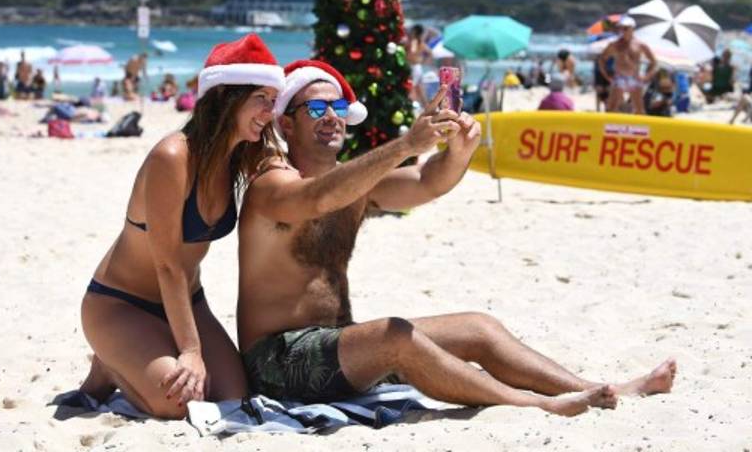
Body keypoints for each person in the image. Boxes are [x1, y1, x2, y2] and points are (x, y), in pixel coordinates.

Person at [237, 59, 676, 417]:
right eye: (316, 110)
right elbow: (317, 198)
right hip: (277, 361)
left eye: (336, 109)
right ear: (286, 126)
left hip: (340, 347)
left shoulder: (355, 186)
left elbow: (427, 182)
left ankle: (604, 387)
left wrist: (459, 151)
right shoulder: (272, 184)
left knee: (478, 328)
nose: (330, 117)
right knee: (396, 335)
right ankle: (541, 404)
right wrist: (406, 143)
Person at [77, 34, 285, 419]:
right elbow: (168, 263)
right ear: (227, 96)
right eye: (261, 98)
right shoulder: (173, 157)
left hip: (187, 301)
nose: (269, 112)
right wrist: (191, 351)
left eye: (273, 102)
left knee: (233, 396)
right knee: (183, 404)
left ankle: (133, 358)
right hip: (120, 303)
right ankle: (110, 363)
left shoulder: (239, 156)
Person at [598, 16, 657, 114]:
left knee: (639, 110)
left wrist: (646, 77)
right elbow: (602, 59)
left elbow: (653, 62)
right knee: (611, 107)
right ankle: (611, 128)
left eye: (626, 28)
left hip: (634, 78)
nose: (623, 31)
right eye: (621, 28)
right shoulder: (615, 44)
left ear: (632, 29)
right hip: (619, 77)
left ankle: (639, 128)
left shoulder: (640, 45)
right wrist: (607, 75)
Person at [406, 25, 431, 107]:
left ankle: (410, 106)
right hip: (418, 67)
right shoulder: (420, 42)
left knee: (410, 88)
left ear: (414, 32)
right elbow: (430, 53)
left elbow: (412, 53)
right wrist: (423, 61)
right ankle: (427, 108)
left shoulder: (414, 41)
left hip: (413, 67)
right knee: (420, 90)